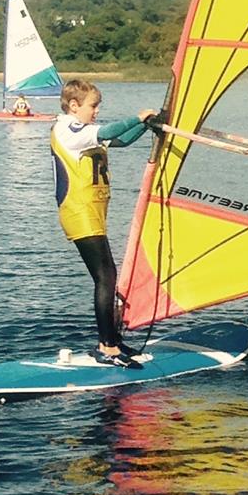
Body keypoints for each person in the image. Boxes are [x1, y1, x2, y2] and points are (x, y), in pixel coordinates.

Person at [50, 78, 157, 369]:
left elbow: (120, 139)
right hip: (79, 211)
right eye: (93, 106)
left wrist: (149, 125)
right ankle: (106, 345)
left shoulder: (84, 132)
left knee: (109, 276)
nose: (96, 111)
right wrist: (137, 116)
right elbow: (111, 130)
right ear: (74, 106)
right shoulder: (67, 129)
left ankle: (112, 340)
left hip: (93, 212)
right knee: (105, 277)